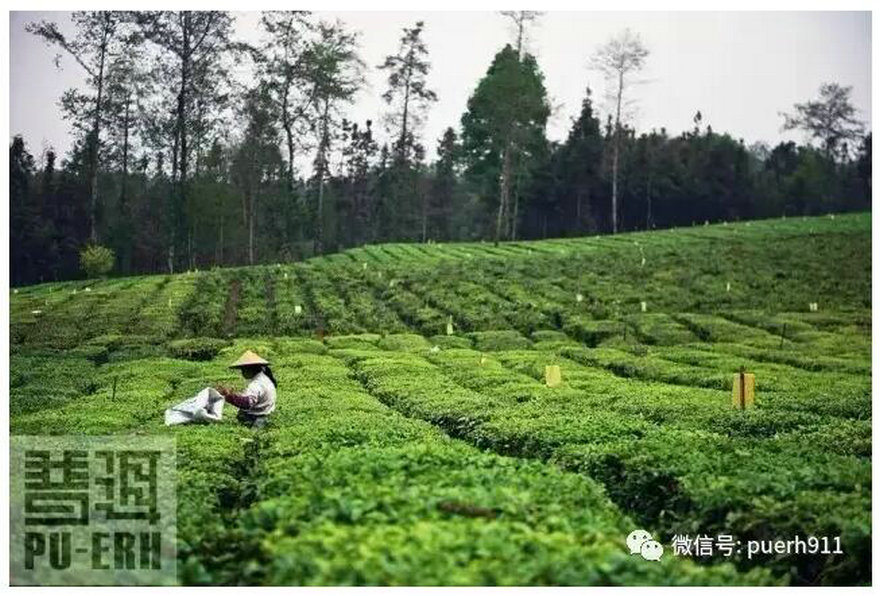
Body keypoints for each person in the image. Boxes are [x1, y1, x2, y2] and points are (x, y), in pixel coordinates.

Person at [216, 350, 278, 429]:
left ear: (249, 369)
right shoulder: (264, 378)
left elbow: (246, 404)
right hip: (267, 414)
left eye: (243, 370)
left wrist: (228, 396)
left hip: (257, 417)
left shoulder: (256, 384)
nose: (242, 373)